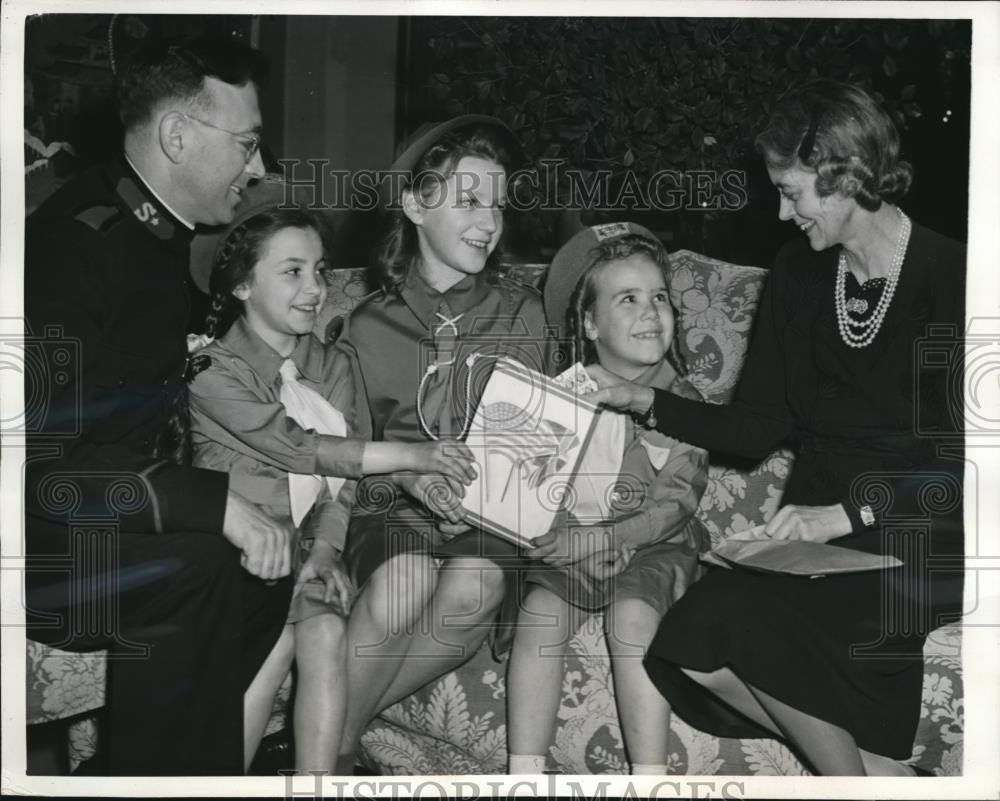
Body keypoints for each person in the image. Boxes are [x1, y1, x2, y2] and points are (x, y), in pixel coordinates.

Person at [586, 79, 965, 776]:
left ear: (846, 176)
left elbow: (962, 462)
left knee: (763, 625)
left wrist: (843, 514)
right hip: (812, 524)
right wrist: (640, 399)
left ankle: (848, 783)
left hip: (917, 522)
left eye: (792, 193)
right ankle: (888, 781)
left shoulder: (956, 276)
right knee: (694, 633)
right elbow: (755, 426)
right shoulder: (798, 273)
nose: (785, 216)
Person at [23, 36, 294, 775]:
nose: (258, 168)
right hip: (39, 544)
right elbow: (44, 461)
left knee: (267, 562)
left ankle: (141, 770)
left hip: (106, 518)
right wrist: (211, 502)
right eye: (246, 144)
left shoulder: (165, 236)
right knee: (200, 560)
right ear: (178, 136)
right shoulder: (71, 250)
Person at [179, 177, 476, 773]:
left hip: (299, 554)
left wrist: (325, 552)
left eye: (319, 269)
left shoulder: (333, 363)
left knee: (323, 635)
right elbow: (305, 451)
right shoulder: (209, 369)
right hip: (229, 556)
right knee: (279, 642)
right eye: (292, 272)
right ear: (241, 284)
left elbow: (338, 489)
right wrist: (414, 456)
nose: (316, 289)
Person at [333, 115, 555, 771]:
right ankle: (338, 751)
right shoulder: (367, 326)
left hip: (489, 515)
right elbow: (349, 456)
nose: (489, 220)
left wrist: (494, 493)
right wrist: (409, 478)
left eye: (497, 203)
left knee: (474, 583)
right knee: (402, 580)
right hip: (395, 503)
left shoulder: (526, 314)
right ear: (414, 204)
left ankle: (330, 738)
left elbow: (541, 445)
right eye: (467, 200)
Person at [506, 224, 711, 775]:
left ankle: (648, 777)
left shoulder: (684, 402)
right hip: (579, 543)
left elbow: (675, 503)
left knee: (630, 619)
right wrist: (575, 540)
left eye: (660, 297)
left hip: (657, 545)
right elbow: (539, 493)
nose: (651, 311)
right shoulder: (563, 394)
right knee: (539, 616)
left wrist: (612, 538)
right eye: (629, 299)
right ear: (591, 323)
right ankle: (523, 774)